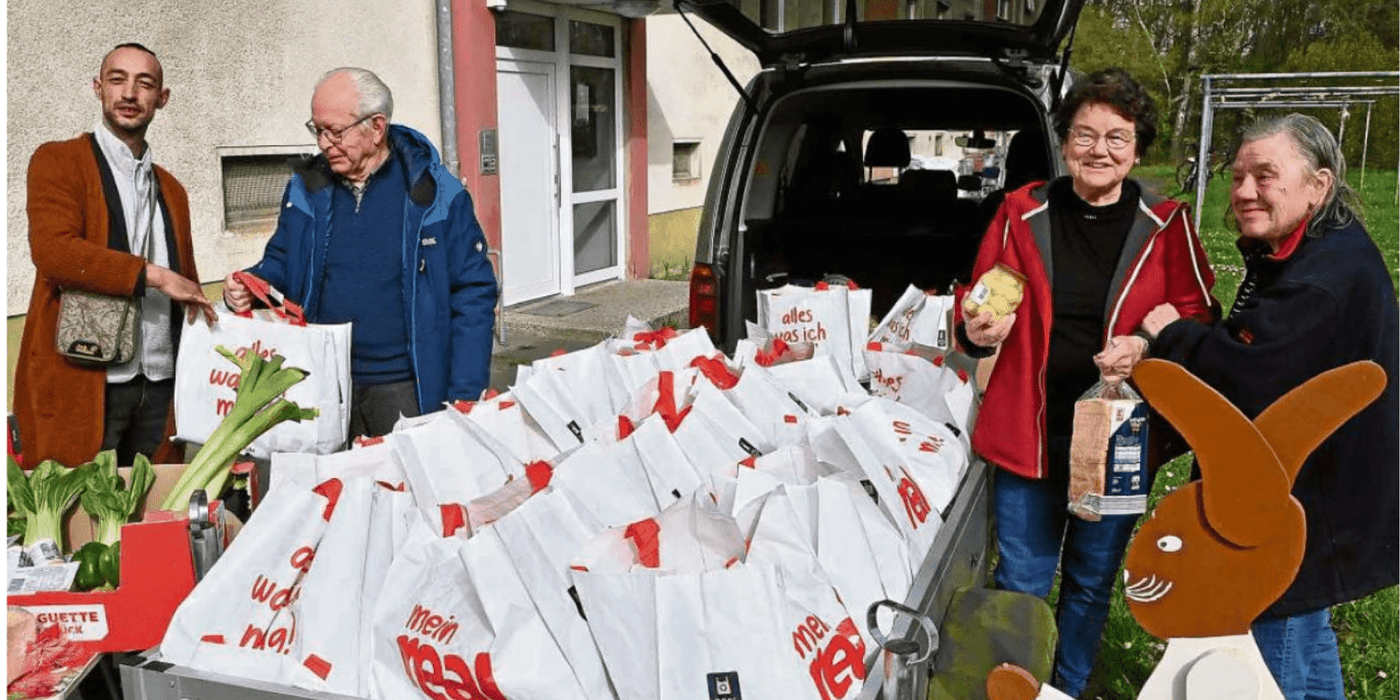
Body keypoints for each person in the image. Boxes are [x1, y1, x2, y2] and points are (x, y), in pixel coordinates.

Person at [953, 68, 1217, 697]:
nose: (1099, 150)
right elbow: (980, 300)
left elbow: (1202, 316)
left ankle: (1066, 689)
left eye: (1117, 137)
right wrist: (977, 330)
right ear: (1065, 140)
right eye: (1085, 134)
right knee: (1022, 580)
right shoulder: (1022, 213)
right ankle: (1018, 687)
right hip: (1031, 433)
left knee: (1093, 582)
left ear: (1138, 147)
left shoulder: (1167, 224)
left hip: (1118, 443)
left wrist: (1148, 343)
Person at [1142, 113, 1398, 700]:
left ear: (1319, 185)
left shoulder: (1322, 276)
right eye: (1237, 177)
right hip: (1321, 495)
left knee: (1267, 644)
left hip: (1298, 502)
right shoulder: (1309, 247)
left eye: (1266, 175)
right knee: (1306, 637)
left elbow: (1248, 376)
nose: (1245, 191)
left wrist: (1171, 334)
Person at [223, 67, 498, 439]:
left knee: (405, 491)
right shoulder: (306, 189)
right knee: (327, 491)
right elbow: (283, 260)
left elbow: (473, 293)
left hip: (406, 386)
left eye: (334, 131)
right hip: (322, 382)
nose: (322, 143)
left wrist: (465, 394)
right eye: (316, 129)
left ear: (377, 127)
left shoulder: (436, 194)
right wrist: (252, 282)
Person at [15, 43, 214, 469]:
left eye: (145, 84)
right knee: (79, 520)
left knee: (151, 516)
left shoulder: (173, 189)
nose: (129, 93)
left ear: (161, 99)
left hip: (161, 385)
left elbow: (188, 282)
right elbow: (53, 253)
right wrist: (154, 276)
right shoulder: (59, 160)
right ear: (97, 88)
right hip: (86, 380)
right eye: (117, 79)